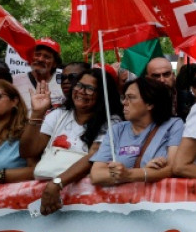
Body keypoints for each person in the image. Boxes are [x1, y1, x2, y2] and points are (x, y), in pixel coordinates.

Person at [21, 69, 122, 214]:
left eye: (89, 89)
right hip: (51, 197)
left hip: (88, 203)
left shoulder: (112, 121)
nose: (81, 91)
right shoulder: (58, 115)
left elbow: (94, 155)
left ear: (102, 94)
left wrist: (57, 183)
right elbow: (28, 151)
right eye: (79, 85)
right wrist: (37, 113)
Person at [90, 77, 184, 185]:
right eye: (124, 97)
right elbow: (96, 174)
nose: (124, 102)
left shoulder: (173, 125)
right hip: (123, 200)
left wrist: (128, 174)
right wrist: (144, 173)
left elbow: (172, 168)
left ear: (150, 103)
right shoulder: (117, 130)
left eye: (131, 97)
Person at [13, 38, 65, 109]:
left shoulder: (64, 80)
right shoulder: (15, 81)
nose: (40, 59)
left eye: (47, 57)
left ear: (55, 63)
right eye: (37, 54)